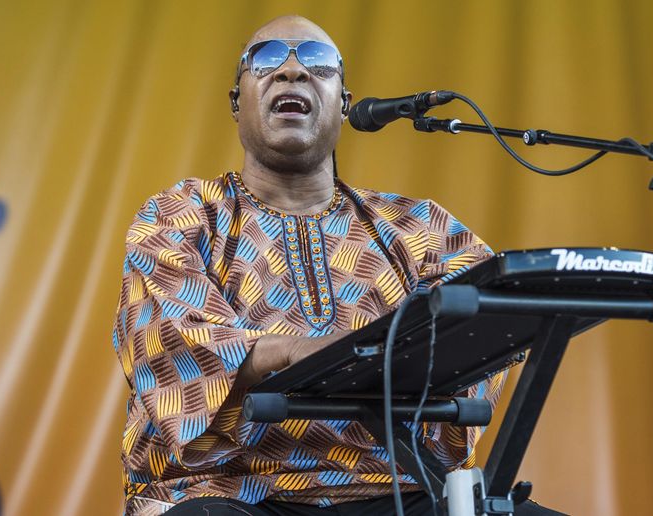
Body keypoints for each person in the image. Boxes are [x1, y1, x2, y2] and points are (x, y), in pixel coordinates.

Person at [113, 15, 553, 516]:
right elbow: (172, 345)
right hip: (229, 492)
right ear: (237, 101)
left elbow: (479, 338)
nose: (292, 72)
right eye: (267, 59)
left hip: (401, 490)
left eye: (318, 64)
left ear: (344, 104)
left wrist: (356, 357)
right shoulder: (182, 213)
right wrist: (318, 351)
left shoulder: (421, 227)